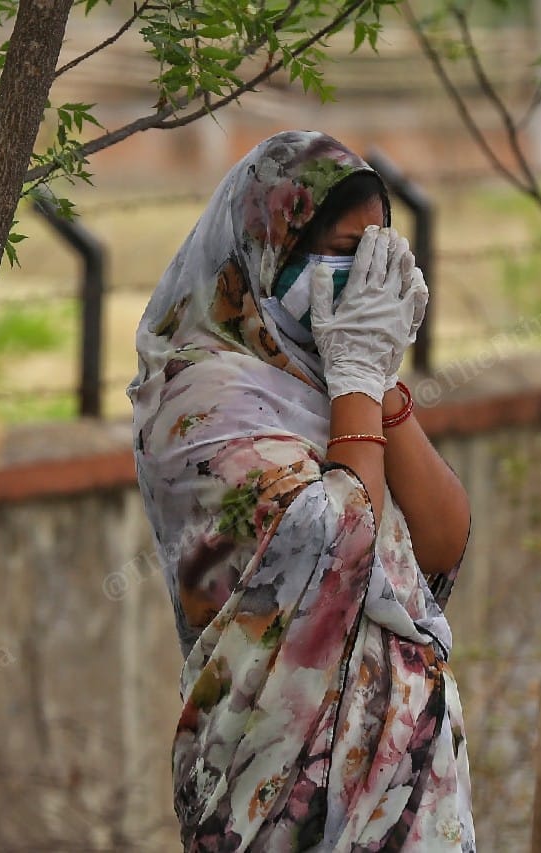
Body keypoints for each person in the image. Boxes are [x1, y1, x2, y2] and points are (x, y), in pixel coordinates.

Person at [129, 130, 474, 851]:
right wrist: (353, 374)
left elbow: (443, 541)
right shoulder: (198, 404)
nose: (368, 273)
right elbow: (336, 549)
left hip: (410, 799)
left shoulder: (334, 372)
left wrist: (374, 378)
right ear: (272, 248)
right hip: (278, 787)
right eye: (347, 251)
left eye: (381, 250)